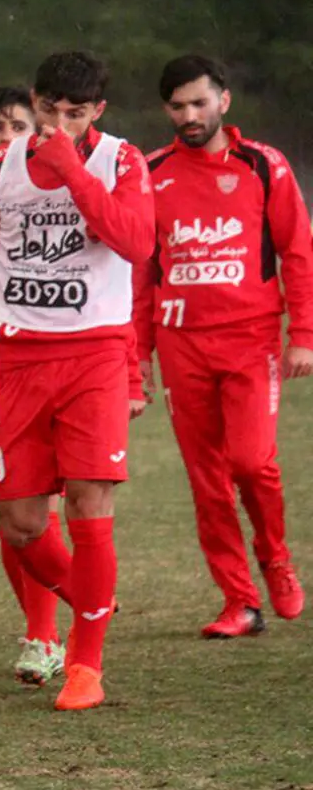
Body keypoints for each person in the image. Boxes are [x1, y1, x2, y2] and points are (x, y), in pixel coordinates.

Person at [0, 51, 154, 711]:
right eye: (50, 111)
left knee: (88, 507)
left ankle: (86, 663)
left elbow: (135, 243)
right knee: (19, 523)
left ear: (97, 111)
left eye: (76, 115)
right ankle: (93, 602)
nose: (59, 125)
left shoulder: (121, 161)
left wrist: (72, 171)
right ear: (35, 101)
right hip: (14, 360)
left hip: (93, 356)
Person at [134, 54, 310, 637]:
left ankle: (276, 559)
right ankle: (239, 600)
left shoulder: (265, 165)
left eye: (200, 103)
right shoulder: (149, 171)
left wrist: (303, 335)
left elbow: (298, 252)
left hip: (250, 340)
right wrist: (139, 355)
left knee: (252, 463)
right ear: (167, 110)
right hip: (181, 344)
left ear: (224, 101)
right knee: (207, 479)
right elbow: (141, 272)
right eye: (179, 106)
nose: (190, 115)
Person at [0, 85, 66, 686]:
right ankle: (53, 617)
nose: (6, 137)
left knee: (46, 504)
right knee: (11, 513)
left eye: (18, 126)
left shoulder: (55, 194)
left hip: (53, 364)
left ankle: (46, 634)